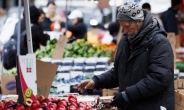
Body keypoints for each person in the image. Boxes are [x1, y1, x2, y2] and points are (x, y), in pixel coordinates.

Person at [78, 1, 174, 110]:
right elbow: (118, 72)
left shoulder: (159, 42)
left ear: (139, 21)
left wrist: (127, 95)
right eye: (122, 27)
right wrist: (96, 81)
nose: (125, 31)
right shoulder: (126, 40)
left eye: (128, 26)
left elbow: (158, 79)